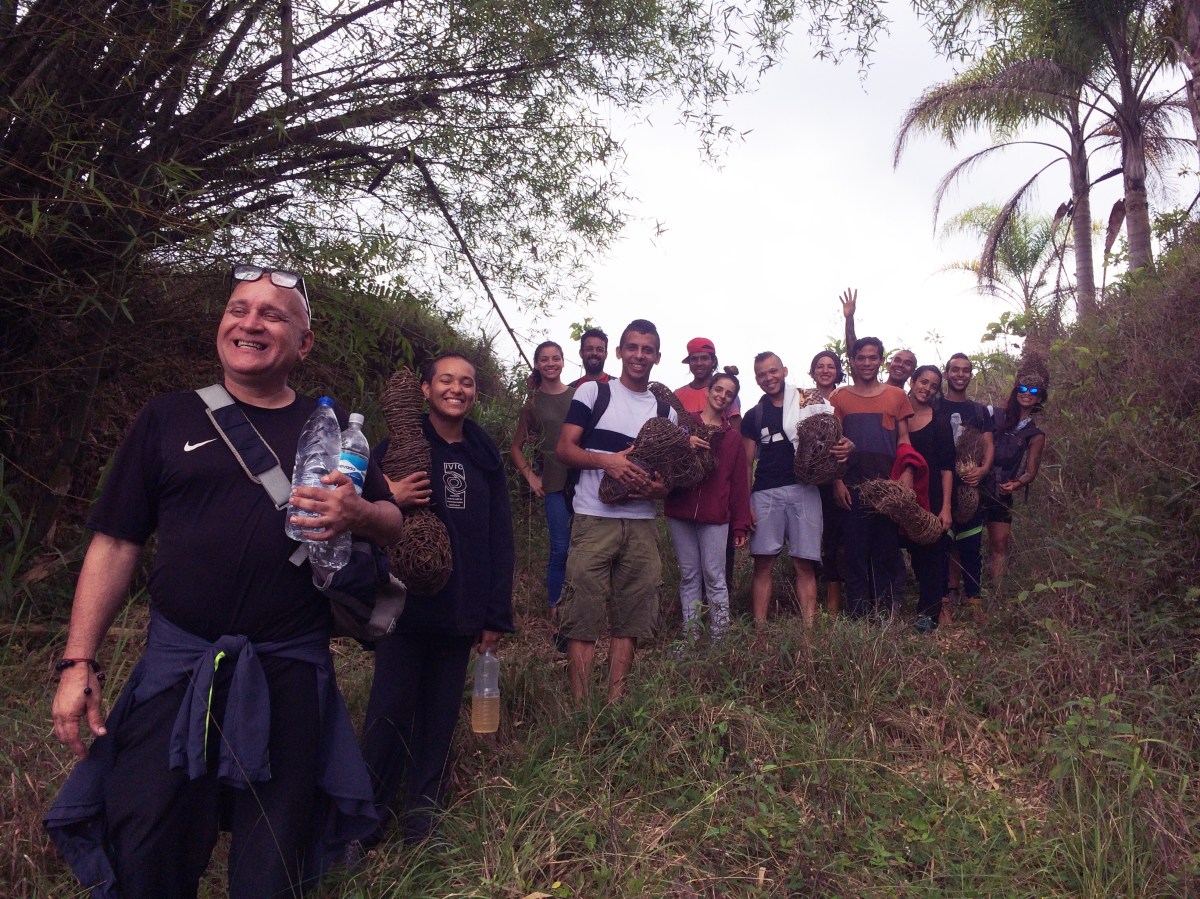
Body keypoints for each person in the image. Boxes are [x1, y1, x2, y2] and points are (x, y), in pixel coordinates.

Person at [46, 264, 404, 897]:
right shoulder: (168, 418)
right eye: (239, 309)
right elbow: (117, 541)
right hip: (177, 669)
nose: (250, 323)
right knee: (145, 849)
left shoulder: (330, 430)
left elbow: (392, 522)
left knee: (274, 865)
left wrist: (358, 514)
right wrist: (79, 663)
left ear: (304, 343)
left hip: (288, 673)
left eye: (272, 315)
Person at [361, 354, 515, 845]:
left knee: (440, 717)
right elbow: (360, 511)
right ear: (425, 390)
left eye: (466, 382)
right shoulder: (398, 446)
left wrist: (494, 615)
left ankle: (422, 820)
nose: (457, 389)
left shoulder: (484, 456)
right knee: (388, 711)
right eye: (446, 380)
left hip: (460, 608)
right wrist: (391, 495)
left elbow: (500, 538)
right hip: (403, 610)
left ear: (475, 393)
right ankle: (366, 820)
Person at [556, 319, 676, 702]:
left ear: (657, 357)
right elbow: (565, 449)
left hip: (642, 524)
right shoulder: (594, 392)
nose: (640, 355)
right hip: (593, 520)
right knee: (583, 611)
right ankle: (581, 705)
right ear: (621, 352)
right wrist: (607, 462)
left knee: (633, 614)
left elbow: (667, 478)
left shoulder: (665, 412)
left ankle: (615, 700)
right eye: (633, 347)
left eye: (648, 349)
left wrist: (659, 489)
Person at [741, 352, 850, 628]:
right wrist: (745, 504)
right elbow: (746, 464)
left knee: (805, 563)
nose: (769, 377)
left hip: (805, 489)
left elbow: (832, 435)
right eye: (762, 374)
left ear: (784, 371)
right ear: (757, 379)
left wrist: (848, 446)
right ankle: (759, 629)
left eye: (773, 371)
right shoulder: (754, 415)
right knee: (763, 563)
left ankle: (809, 630)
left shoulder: (808, 401)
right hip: (765, 492)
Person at [830, 337, 913, 621]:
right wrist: (837, 482)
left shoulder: (896, 396)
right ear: (852, 361)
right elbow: (832, 444)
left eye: (872, 357)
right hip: (851, 486)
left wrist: (907, 472)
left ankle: (885, 612)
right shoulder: (839, 398)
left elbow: (904, 439)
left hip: (887, 487)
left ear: (881, 361)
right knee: (854, 551)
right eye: (861, 358)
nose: (867, 363)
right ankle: (857, 613)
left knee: (885, 549)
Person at [664, 372, 752, 641]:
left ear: (732, 400)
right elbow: (664, 455)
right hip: (680, 511)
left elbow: (739, 483)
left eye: (729, 393)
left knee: (715, 576)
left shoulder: (732, 437)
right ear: (708, 391)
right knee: (689, 575)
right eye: (718, 389)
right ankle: (690, 637)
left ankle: (719, 639)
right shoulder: (685, 425)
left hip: (715, 516)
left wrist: (740, 523)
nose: (722, 396)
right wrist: (684, 442)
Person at [510, 341, 574, 624]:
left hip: (582, 482)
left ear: (563, 361)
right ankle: (555, 609)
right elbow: (516, 447)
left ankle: (580, 604)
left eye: (555, 358)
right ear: (537, 364)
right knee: (560, 548)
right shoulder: (533, 404)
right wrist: (531, 476)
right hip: (553, 485)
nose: (551, 364)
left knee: (584, 548)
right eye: (544, 359)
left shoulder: (577, 396)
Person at [941, 353, 995, 623]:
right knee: (942, 544)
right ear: (946, 373)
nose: (960, 374)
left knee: (971, 545)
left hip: (972, 487)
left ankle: (974, 599)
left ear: (970, 375)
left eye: (965, 370)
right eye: (955, 370)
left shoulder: (979, 411)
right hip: (941, 488)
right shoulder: (935, 405)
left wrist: (983, 470)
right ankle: (942, 601)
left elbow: (988, 444)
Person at [903, 365, 955, 632]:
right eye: (923, 382)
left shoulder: (940, 421)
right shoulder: (895, 414)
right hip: (898, 497)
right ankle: (884, 608)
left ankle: (928, 615)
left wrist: (946, 507)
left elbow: (947, 467)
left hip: (931, 495)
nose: (927, 389)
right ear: (912, 381)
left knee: (931, 555)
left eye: (934, 386)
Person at [984, 374, 1048, 584]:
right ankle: (957, 590)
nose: (1027, 393)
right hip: (977, 485)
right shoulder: (993, 415)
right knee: (964, 539)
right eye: (1022, 388)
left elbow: (1031, 471)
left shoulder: (1035, 433)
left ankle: (997, 593)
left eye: (1034, 391)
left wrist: (1017, 484)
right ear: (1015, 391)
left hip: (1001, 491)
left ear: (1039, 398)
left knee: (999, 545)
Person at [808, 350, 846, 614]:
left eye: (830, 366)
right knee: (811, 536)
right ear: (812, 372)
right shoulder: (802, 399)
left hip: (838, 476)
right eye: (819, 366)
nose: (825, 370)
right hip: (809, 478)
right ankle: (809, 592)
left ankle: (834, 595)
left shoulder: (844, 396)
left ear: (838, 371)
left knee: (834, 536)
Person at [840, 288, 918, 388]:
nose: (900, 365)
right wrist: (849, 318)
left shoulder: (908, 397)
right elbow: (853, 350)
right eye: (897, 360)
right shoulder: (868, 388)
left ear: (913, 372)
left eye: (908, 363)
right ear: (888, 364)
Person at [674, 336, 742, 426]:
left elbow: (736, 428)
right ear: (689, 363)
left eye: (704, 358)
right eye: (694, 359)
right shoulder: (677, 394)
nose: (699, 363)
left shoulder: (725, 393)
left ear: (713, 361)